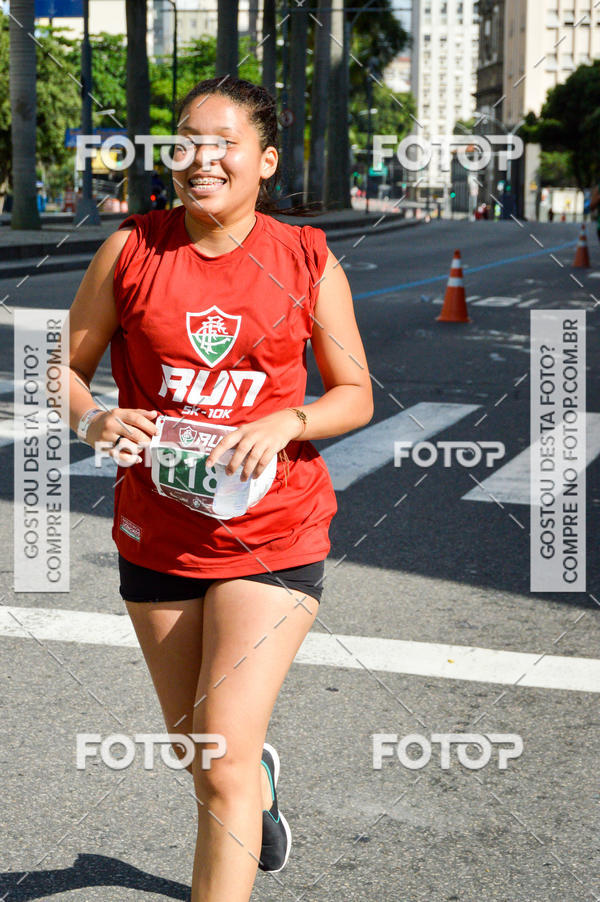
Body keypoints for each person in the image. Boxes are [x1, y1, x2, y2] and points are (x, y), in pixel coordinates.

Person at [61, 77, 373, 902]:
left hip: (273, 530)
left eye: (223, 142)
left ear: (264, 161)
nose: (201, 159)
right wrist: (92, 419)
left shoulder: (306, 256)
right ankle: (260, 788)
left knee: (221, 759)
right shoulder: (132, 248)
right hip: (158, 531)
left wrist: (288, 423)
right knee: (199, 756)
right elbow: (60, 370)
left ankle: (245, 786)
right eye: (187, 141)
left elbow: (356, 392)